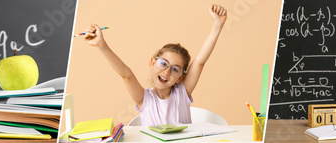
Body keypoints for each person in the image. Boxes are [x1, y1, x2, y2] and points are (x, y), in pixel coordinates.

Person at [81, 4, 227, 126]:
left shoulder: (182, 93)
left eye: (175, 69)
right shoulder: (145, 99)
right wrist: (102, 45)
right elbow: (126, 74)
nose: (166, 72)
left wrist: (217, 25)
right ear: (153, 62)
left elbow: (200, 61)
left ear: (180, 78)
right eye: (163, 63)